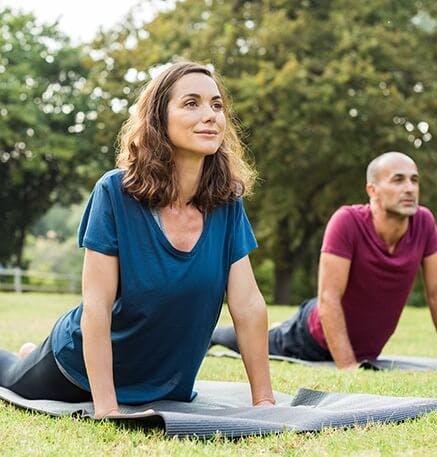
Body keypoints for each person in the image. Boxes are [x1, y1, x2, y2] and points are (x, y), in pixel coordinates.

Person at [0, 61, 275, 417]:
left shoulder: (227, 203)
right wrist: (107, 408)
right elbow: (96, 306)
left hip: (162, 382)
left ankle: (28, 351)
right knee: (8, 374)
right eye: (191, 103)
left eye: (217, 105)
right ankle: (28, 356)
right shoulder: (114, 192)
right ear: (159, 119)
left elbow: (248, 304)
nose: (210, 115)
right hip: (76, 372)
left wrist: (265, 402)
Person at [211, 152, 437, 369]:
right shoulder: (347, 221)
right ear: (372, 190)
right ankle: (213, 335)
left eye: (414, 180)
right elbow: (329, 298)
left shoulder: (424, 222)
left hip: (364, 348)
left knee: (271, 332)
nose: (410, 188)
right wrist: (349, 367)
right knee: (260, 342)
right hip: (312, 337)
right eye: (398, 179)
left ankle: (275, 327)